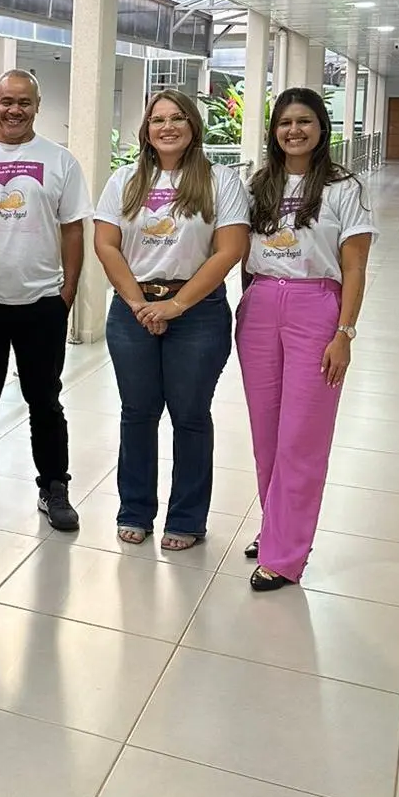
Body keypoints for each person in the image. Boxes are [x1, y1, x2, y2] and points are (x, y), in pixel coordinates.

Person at [93, 89, 249, 550]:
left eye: (177, 117)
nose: (167, 126)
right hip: (132, 311)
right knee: (137, 413)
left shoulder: (221, 180)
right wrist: (141, 303)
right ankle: (135, 510)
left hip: (197, 313)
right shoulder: (125, 179)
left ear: (193, 125)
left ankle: (186, 519)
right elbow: (106, 244)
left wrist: (176, 306)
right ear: (146, 129)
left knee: (191, 416)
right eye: (158, 119)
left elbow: (230, 249)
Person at [237, 87, 376, 591]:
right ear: (274, 131)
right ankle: (275, 526)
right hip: (259, 306)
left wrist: (345, 332)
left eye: (304, 122)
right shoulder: (257, 186)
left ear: (322, 129)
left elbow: (356, 267)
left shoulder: (344, 187)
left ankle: (287, 555)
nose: (293, 130)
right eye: (284, 123)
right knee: (266, 433)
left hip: (316, 307)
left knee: (303, 436)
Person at [0, 69, 93, 527]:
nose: (14, 110)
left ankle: (54, 486)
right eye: (6, 101)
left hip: (42, 302)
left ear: (37, 107)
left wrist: (67, 291)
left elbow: (73, 230)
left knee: (45, 399)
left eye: (24, 102)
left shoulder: (60, 160)